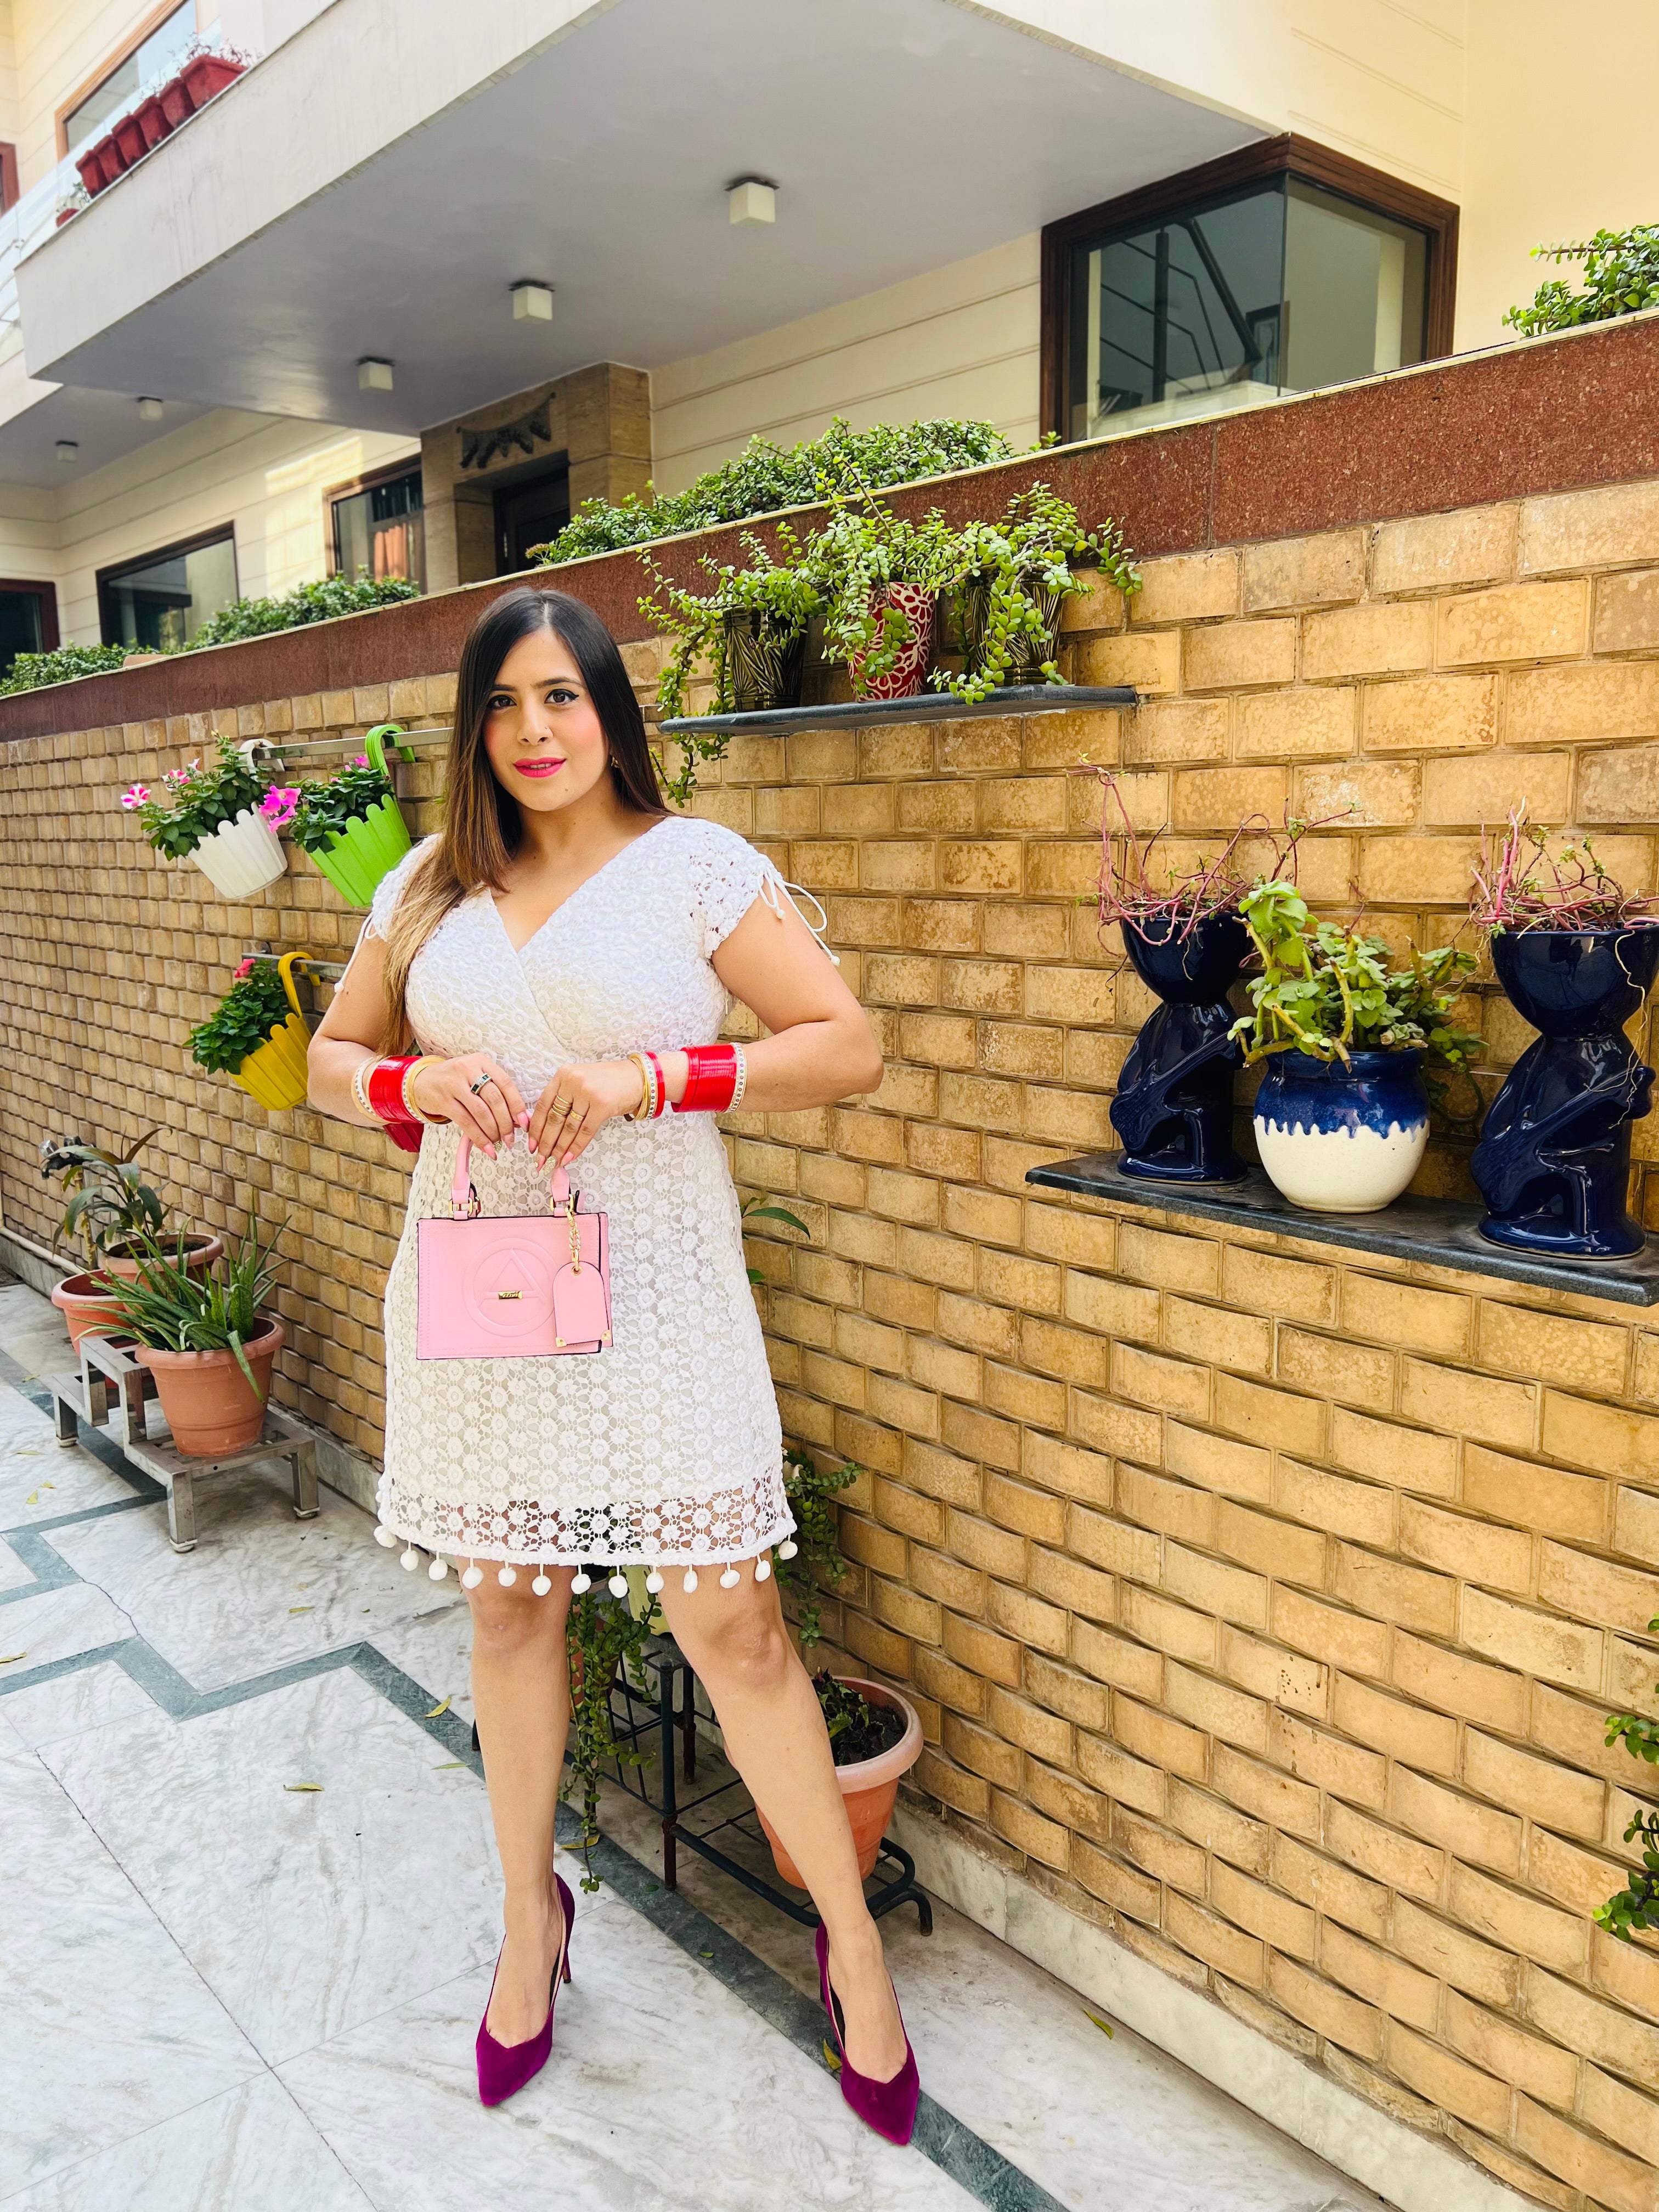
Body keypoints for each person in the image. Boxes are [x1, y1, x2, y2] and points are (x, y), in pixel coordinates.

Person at [308, 586, 919, 2143]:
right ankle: (533, 1920)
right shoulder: (435, 884)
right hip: (485, 1287)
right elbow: (328, 1062)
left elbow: (843, 1043)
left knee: (735, 1620)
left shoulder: (694, 867)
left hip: (655, 1288)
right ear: (476, 729)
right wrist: (407, 1077)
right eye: (504, 704)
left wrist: (662, 1073)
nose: (535, 730)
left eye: (563, 697)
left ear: (609, 710)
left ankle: (852, 1952)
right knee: (510, 1605)